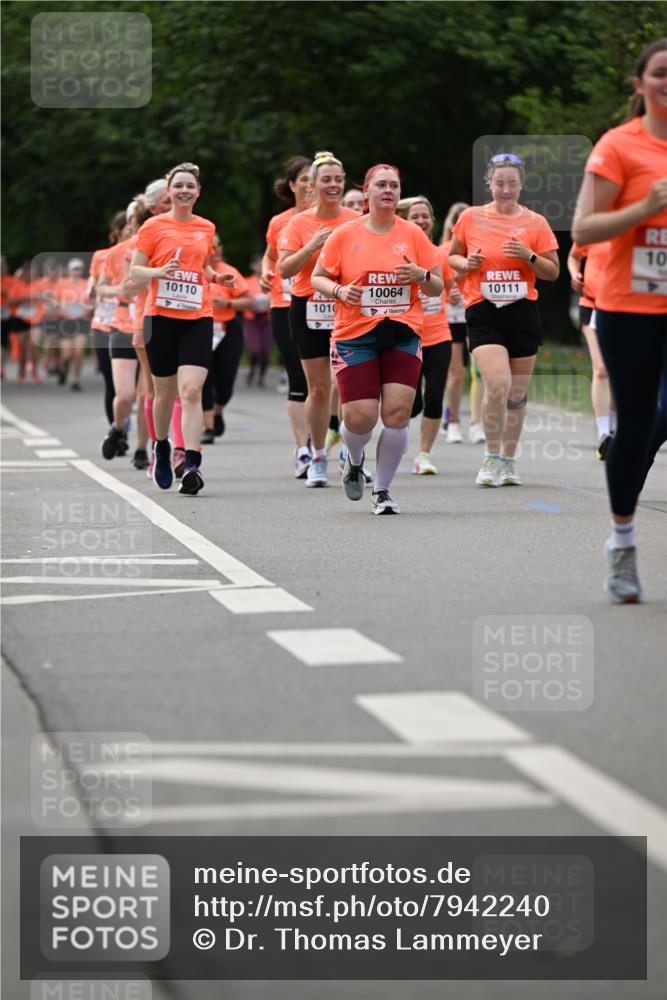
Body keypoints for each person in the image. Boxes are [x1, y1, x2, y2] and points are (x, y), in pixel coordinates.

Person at [572, 38, 667, 603]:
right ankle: (623, 541)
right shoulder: (619, 146)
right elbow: (584, 229)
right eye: (661, 72)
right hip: (629, 305)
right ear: (640, 84)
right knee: (634, 423)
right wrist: (644, 209)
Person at [312, 163, 443, 514]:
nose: (388, 191)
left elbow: (437, 285)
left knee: (398, 412)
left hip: (403, 331)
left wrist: (421, 274)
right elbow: (318, 277)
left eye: (394, 186)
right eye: (381, 185)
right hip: (355, 333)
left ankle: (382, 490)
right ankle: (354, 459)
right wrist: (339, 291)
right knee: (360, 417)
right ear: (366, 191)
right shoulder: (344, 234)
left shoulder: (413, 234)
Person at [449, 153, 560, 486]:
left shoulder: (536, 223)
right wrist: (466, 264)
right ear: (490, 184)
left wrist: (528, 256)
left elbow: (552, 272)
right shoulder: (471, 217)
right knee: (498, 384)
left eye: (512, 183)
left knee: (516, 394)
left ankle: (509, 461)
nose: (506, 189)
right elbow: (453, 255)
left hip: (522, 312)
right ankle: (491, 456)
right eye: (500, 183)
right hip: (483, 310)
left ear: (521, 185)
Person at [128, 162, 235, 495]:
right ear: (169, 191)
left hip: (197, 317)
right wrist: (158, 272)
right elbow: (135, 272)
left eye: (190, 186)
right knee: (164, 394)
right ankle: (161, 446)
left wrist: (215, 277)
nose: (184, 191)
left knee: (191, 391)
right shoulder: (153, 226)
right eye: (179, 186)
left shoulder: (206, 227)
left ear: (198, 191)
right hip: (160, 317)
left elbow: (201, 265)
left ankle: (191, 463)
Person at [279, 151, 358, 487]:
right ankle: (317, 455)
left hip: (349, 308)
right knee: (320, 388)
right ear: (312, 184)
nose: (333, 185)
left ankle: (351, 456)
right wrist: (311, 245)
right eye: (326, 179)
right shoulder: (298, 223)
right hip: (309, 308)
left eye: (338, 179)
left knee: (350, 386)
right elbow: (285, 269)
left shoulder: (355, 220)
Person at [262, 156, 313, 477]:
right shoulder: (279, 223)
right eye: (304, 179)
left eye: (314, 178)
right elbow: (270, 257)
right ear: (292, 185)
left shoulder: (335, 220)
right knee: (298, 376)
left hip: (326, 306)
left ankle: (327, 442)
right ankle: (303, 449)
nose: (310, 185)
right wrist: (266, 272)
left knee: (329, 382)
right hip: (285, 305)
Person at [396, 195, 453, 475]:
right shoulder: (397, 253)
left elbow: (449, 286)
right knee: (410, 401)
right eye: (414, 216)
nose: (421, 221)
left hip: (439, 335)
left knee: (435, 394)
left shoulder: (440, 254)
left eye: (425, 216)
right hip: (408, 335)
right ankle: (396, 443)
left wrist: (455, 294)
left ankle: (424, 454)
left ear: (433, 220)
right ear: (405, 220)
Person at [97, 198, 153, 462]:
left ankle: (142, 449)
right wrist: (120, 289)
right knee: (125, 395)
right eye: (134, 222)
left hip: (151, 324)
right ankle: (118, 428)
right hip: (122, 324)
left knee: (145, 395)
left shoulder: (160, 248)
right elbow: (101, 287)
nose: (136, 227)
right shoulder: (116, 253)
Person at [439, 201, 485, 444]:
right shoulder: (445, 250)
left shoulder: (482, 247)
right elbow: (438, 284)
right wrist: (460, 274)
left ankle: (477, 423)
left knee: (480, 372)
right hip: (453, 315)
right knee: (456, 373)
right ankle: (453, 421)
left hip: (476, 311)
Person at [567, 240, 615, 458]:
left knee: (618, 371)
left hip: (621, 308)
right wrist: (575, 274)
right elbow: (574, 256)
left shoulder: (632, 228)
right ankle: (604, 433)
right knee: (602, 369)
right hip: (591, 304)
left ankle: (613, 430)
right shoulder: (592, 229)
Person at [201, 237, 251, 444]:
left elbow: (248, 300)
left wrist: (228, 303)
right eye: (212, 246)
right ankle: (208, 425)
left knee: (226, 380)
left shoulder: (229, 271)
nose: (217, 249)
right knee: (204, 378)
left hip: (227, 328)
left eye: (219, 244)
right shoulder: (195, 270)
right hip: (200, 328)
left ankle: (217, 409)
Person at [88, 212, 126, 427]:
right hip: (104, 322)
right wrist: (91, 291)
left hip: (130, 324)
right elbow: (93, 283)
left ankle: (127, 412)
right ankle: (116, 429)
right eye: (128, 227)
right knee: (110, 380)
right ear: (118, 231)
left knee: (131, 382)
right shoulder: (101, 256)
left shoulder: (142, 253)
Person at [55, 258, 92, 391]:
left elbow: (92, 302)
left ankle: (75, 379)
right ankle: (63, 370)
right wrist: (63, 305)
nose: (76, 272)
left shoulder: (86, 284)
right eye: (74, 269)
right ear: (69, 270)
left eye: (78, 269)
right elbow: (54, 301)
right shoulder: (62, 283)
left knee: (78, 352)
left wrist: (85, 307)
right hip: (65, 320)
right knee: (66, 354)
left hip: (81, 320)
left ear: (82, 271)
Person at [244, 253, 272, 387]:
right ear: (252, 266)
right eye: (258, 264)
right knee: (255, 349)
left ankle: (261, 376)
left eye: (262, 264)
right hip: (251, 319)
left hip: (267, 319)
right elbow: (243, 298)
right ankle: (252, 369)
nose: (260, 267)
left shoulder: (271, 280)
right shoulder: (247, 281)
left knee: (265, 350)